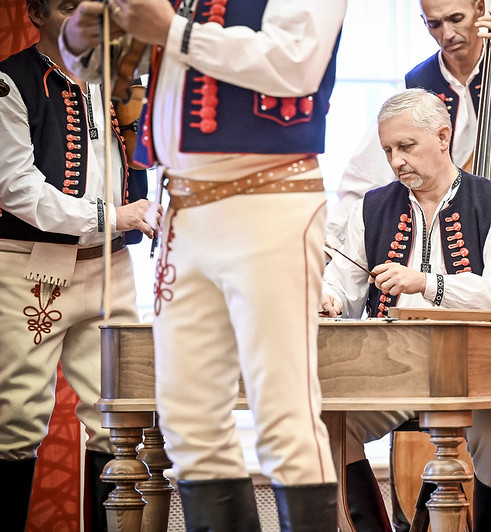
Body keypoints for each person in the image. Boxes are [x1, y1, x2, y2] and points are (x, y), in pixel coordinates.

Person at [61, 0, 346, 530]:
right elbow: (105, 68)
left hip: (270, 197)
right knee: (188, 423)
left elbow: (296, 63)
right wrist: (81, 36)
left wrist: (174, 31)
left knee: (284, 417)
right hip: (183, 208)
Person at [320, 88, 491, 532]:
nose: (396, 161)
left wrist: (429, 284)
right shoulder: (371, 207)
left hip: (472, 375)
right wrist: (331, 299)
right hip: (389, 370)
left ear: (442, 136)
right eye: (388, 150)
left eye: (406, 147)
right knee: (326, 429)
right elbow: (343, 282)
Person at [0, 0, 158, 530]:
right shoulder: (9, 84)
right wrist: (113, 213)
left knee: (117, 417)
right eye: (69, 5)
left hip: (111, 264)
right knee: (16, 419)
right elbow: (19, 190)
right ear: (36, 13)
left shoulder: (120, 80)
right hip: (30, 265)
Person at [326, 0, 491, 247]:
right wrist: (330, 245)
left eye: (456, 19)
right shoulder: (416, 85)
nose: (446, 34)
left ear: (480, 8)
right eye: (434, 24)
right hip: (444, 236)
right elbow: (366, 178)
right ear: (424, 23)